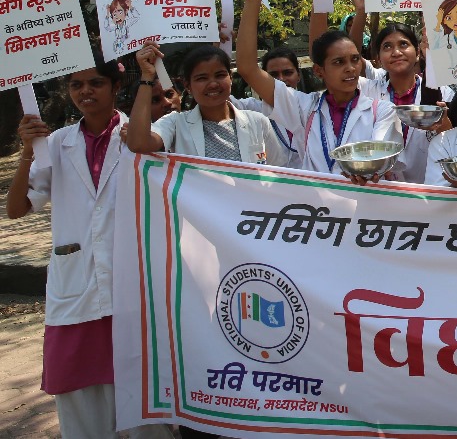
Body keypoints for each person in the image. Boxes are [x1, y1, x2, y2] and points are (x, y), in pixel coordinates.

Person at [7, 53, 171, 439]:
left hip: (132, 285)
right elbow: (17, 209)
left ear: (116, 87)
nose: (85, 92)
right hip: (76, 290)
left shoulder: (143, 136)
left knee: (145, 402)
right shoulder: (57, 144)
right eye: (76, 84)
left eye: (95, 83)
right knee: (80, 405)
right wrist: (29, 149)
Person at [235, 0, 398, 176]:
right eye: (338, 62)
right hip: (316, 207)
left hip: (365, 205)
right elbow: (247, 68)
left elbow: (379, 160)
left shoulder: (382, 110)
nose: (350, 68)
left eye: (355, 59)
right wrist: (253, 0)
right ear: (319, 71)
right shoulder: (303, 107)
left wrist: (371, 171)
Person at [126, 44, 292, 166]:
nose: (213, 84)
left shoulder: (258, 122)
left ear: (231, 78)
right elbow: (138, 143)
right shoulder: (176, 123)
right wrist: (147, 76)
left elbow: (280, 174)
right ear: (187, 86)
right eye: (202, 78)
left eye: (220, 75)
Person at [364, 22, 453, 184]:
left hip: (430, 191)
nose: (396, 52)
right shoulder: (368, 92)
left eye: (403, 44)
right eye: (387, 47)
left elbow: (456, 143)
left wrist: (443, 123)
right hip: (380, 190)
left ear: (418, 52)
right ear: (378, 58)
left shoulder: (443, 92)